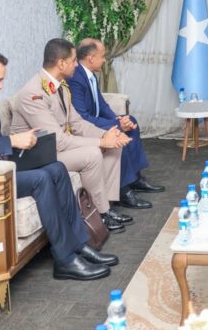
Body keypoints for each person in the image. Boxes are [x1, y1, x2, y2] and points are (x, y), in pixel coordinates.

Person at [0, 49, 118, 281]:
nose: (1, 87)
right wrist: (12, 141)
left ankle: (80, 244)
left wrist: (23, 143)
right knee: (41, 179)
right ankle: (65, 260)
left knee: (56, 168)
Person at [11, 38, 133, 233]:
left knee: (113, 148)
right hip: (38, 158)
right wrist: (101, 141)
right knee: (92, 154)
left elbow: (77, 124)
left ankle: (106, 208)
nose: (77, 65)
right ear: (61, 63)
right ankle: (99, 214)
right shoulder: (33, 94)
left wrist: (109, 135)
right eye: (74, 60)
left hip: (55, 150)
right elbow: (58, 140)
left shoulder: (60, 86)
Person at [67, 38, 164, 210]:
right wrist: (115, 124)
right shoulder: (76, 78)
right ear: (90, 58)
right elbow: (82, 117)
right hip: (86, 126)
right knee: (117, 131)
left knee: (130, 121)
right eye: (102, 56)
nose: (104, 60)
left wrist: (118, 119)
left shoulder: (90, 74)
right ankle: (123, 190)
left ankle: (135, 178)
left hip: (96, 121)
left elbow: (102, 104)